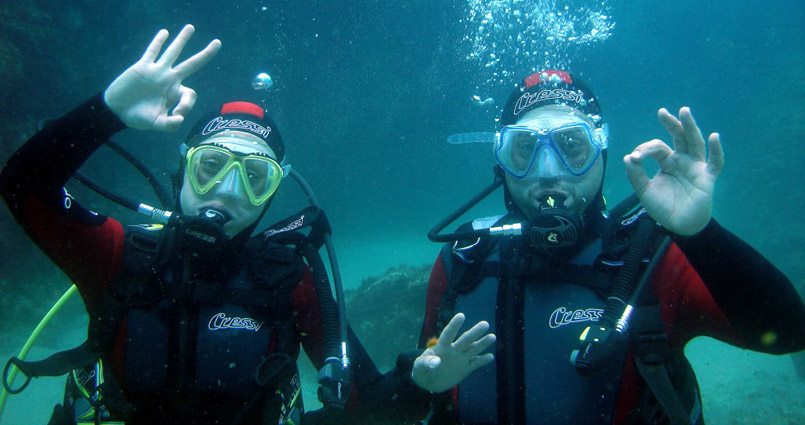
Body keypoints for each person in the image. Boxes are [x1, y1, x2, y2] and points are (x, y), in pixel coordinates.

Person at [0, 25, 494, 425]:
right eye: (211, 166)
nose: (229, 190)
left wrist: (420, 382)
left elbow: (369, 408)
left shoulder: (290, 282)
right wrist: (106, 112)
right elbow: (23, 186)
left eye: (255, 177)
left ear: (270, 196)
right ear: (182, 173)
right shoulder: (120, 257)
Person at [412, 69, 805, 424]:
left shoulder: (650, 257)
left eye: (572, 146)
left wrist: (700, 235)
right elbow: (414, 380)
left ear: (601, 153)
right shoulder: (466, 260)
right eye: (524, 149)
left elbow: (788, 334)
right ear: (502, 163)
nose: (547, 171)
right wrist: (420, 382)